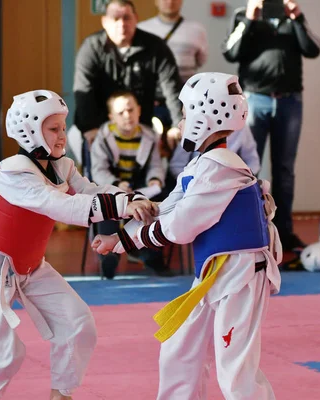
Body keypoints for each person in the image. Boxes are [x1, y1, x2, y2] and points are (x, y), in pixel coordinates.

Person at [91, 72, 282, 399]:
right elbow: (168, 208)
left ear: (204, 116)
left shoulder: (220, 167)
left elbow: (180, 226)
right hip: (215, 272)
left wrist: (129, 239)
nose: (181, 119)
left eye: (185, 111)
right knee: (179, 347)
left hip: (240, 277)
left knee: (235, 370)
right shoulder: (202, 165)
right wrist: (121, 239)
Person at [0, 89, 158, 400]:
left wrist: (134, 199)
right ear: (29, 131)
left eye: (63, 128)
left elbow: (91, 190)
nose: (62, 136)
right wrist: (121, 207)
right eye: (53, 129)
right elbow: (63, 207)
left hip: (29, 265)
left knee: (78, 325)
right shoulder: (14, 172)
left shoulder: (61, 166)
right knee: (3, 355)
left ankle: (61, 397)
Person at [222, 0, 320, 252]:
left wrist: (297, 17)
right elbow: (230, 51)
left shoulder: (293, 18)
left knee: (285, 170)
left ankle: (284, 233)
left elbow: (313, 48)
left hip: (289, 102)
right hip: (255, 101)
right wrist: (249, 19)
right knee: (245, 169)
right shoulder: (243, 16)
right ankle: (248, 231)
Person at [73, 0, 183, 148]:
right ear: (104, 22)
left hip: (141, 128)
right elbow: (83, 90)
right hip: (98, 127)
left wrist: (178, 124)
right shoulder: (91, 47)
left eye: (126, 18)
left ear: (136, 19)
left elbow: (172, 87)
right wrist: (90, 128)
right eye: (115, 19)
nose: (122, 24)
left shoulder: (156, 47)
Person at [90, 90, 173, 278]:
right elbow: (98, 170)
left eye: (131, 110)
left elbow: (155, 165)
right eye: (121, 113)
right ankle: (109, 257)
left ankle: (153, 256)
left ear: (139, 111)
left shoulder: (149, 136)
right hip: (113, 186)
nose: (127, 115)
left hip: (140, 188)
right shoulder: (103, 138)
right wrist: (117, 183)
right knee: (106, 203)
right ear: (112, 117)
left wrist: (155, 179)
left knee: (157, 202)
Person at [138, 0, 208, 135]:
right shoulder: (142, 29)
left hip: (186, 98)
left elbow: (201, 60)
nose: (170, 2)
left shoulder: (196, 30)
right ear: (156, 2)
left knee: (183, 139)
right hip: (152, 98)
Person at [169, 124, 261, 179]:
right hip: (196, 182)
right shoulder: (195, 125)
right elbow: (177, 165)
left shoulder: (242, 128)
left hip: (231, 185)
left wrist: (242, 180)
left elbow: (253, 161)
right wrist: (192, 181)